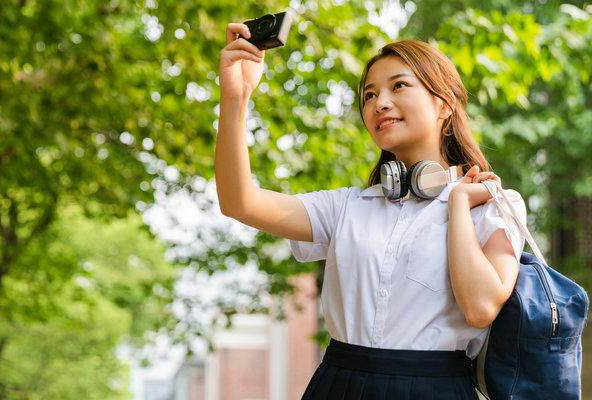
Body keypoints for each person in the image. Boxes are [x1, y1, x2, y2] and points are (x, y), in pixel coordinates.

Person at [216, 21, 526, 400]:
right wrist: (236, 96)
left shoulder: (493, 204)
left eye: (399, 86)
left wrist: (458, 205)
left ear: (444, 103)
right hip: (339, 385)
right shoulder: (347, 207)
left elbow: (480, 308)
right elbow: (239, 202)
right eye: (368, 95)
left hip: (436, 389)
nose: (379, 103)